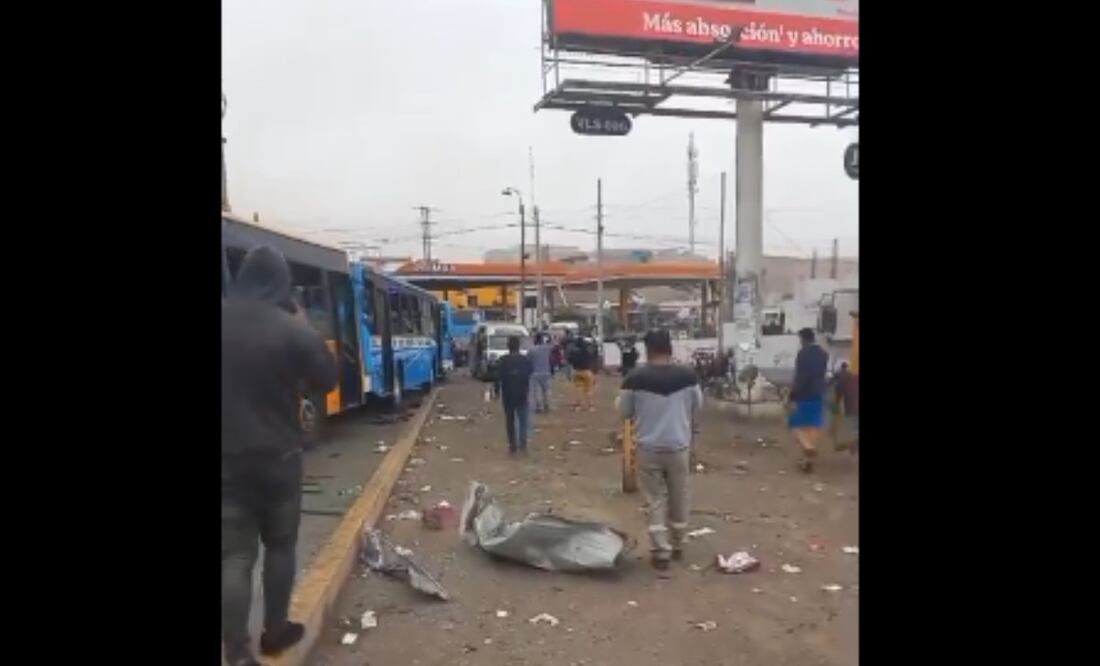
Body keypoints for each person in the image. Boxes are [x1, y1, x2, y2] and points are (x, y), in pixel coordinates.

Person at [222, 246, 338, 666]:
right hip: (279, 459)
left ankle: (235, 651)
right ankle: (275, 632)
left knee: (233, 556)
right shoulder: (290, 329)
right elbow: (326, 378)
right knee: (280, 547)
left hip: (226, 462)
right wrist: (304, 326)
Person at [619, 329, 703, 570]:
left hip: (648, 448)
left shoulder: (634, 379)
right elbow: (698, 406)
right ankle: (678, 544)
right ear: (670, 348)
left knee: (654, 499)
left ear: (647, 350)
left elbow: (624, 412)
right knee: (680, 495)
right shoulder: (688, 377)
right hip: (678, 447)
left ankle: (660, 551)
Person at [789, 327, 829, 473]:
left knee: (795, 424)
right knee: (812, 427)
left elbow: (802, 377)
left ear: (803, 339)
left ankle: (808, 447)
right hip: (819, 393)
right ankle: (808, 462)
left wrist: (793, 393)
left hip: (804, 394)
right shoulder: (823, 354)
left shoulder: (803, 354)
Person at [494, 335, 534, 455]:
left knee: (510, 421)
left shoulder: (502, 360)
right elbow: (530, 373)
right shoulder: (525, 360)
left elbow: (498, 378)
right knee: (523, 421)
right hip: (522, 394)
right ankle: (523, 445)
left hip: (508, 395)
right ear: (519, 346)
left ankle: (512, 445)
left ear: (508, 346)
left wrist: (496, 392)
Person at [831, 361, 859, 454]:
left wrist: (836, 402)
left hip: (850, 401)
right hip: (853, 400)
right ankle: (854, 442)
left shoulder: (839, 374)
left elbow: (837, 386)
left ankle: (854, 441)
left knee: (853, 421)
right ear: (846, 367)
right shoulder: (850, 374)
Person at [569, 335, 598, 411]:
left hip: (576, 371)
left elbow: (569, 360)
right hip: (586, 371)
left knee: (578, 389)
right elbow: (593, 356)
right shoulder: (587, 351)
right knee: (589, 389)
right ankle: (591, 406)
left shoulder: (573, 351)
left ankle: (578, 406)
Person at [528, 332, 554, 413]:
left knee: (537, 391)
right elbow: (553, 344)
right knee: (547, 390)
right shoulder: (547, 348)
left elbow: (528, 361)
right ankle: (547, 405)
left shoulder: (532, 350)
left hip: (535, 373)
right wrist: (548, 336)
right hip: (546, 372)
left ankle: (539, 407)